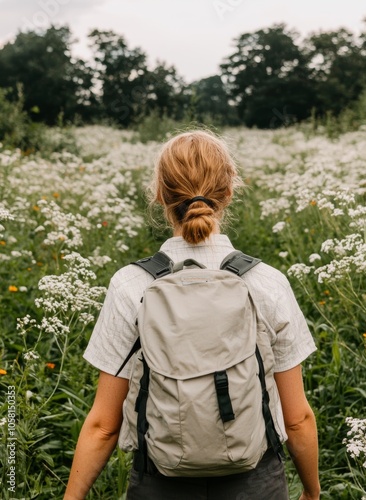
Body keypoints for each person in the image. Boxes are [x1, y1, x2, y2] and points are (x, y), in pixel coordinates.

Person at [64, 130, 320, 500]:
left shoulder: (131, 286)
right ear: (229, 192)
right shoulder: (267, 283)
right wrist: (312, 493)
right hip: (256, 482)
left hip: (159, 483)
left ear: (159, 196)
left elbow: (103, 425)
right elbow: (298, 420)